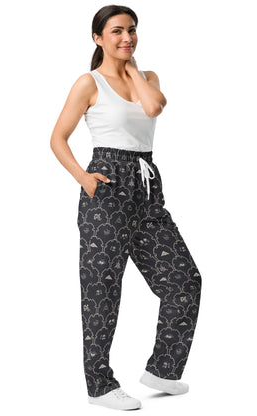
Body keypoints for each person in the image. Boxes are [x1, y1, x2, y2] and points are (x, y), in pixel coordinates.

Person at [50, 5, 202, 411]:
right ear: (97, 38)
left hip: (147, 187)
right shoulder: (89, 83)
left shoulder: (147, 78)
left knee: (184, 280)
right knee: (102, 289)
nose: (126, 37)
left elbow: (153, 107)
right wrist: (84, 178)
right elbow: (57, 138)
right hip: (107, 186)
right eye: (116, 31)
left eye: (131, 30)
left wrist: (132, 68)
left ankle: (163, 370)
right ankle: (100, 386)